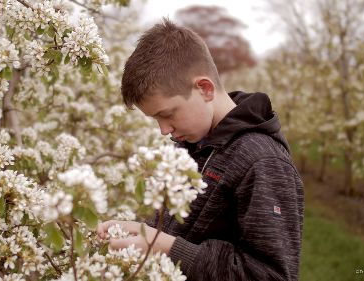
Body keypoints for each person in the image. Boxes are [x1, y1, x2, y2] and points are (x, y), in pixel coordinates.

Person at [97, 18, 304, 281]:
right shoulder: (194, 144)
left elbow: (272, 276)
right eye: (155, 120)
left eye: (167, 114)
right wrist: (140, 234)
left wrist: (168, 248)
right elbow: (181, 228)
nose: (163, 130)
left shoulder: (263, 162)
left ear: (205, 89)